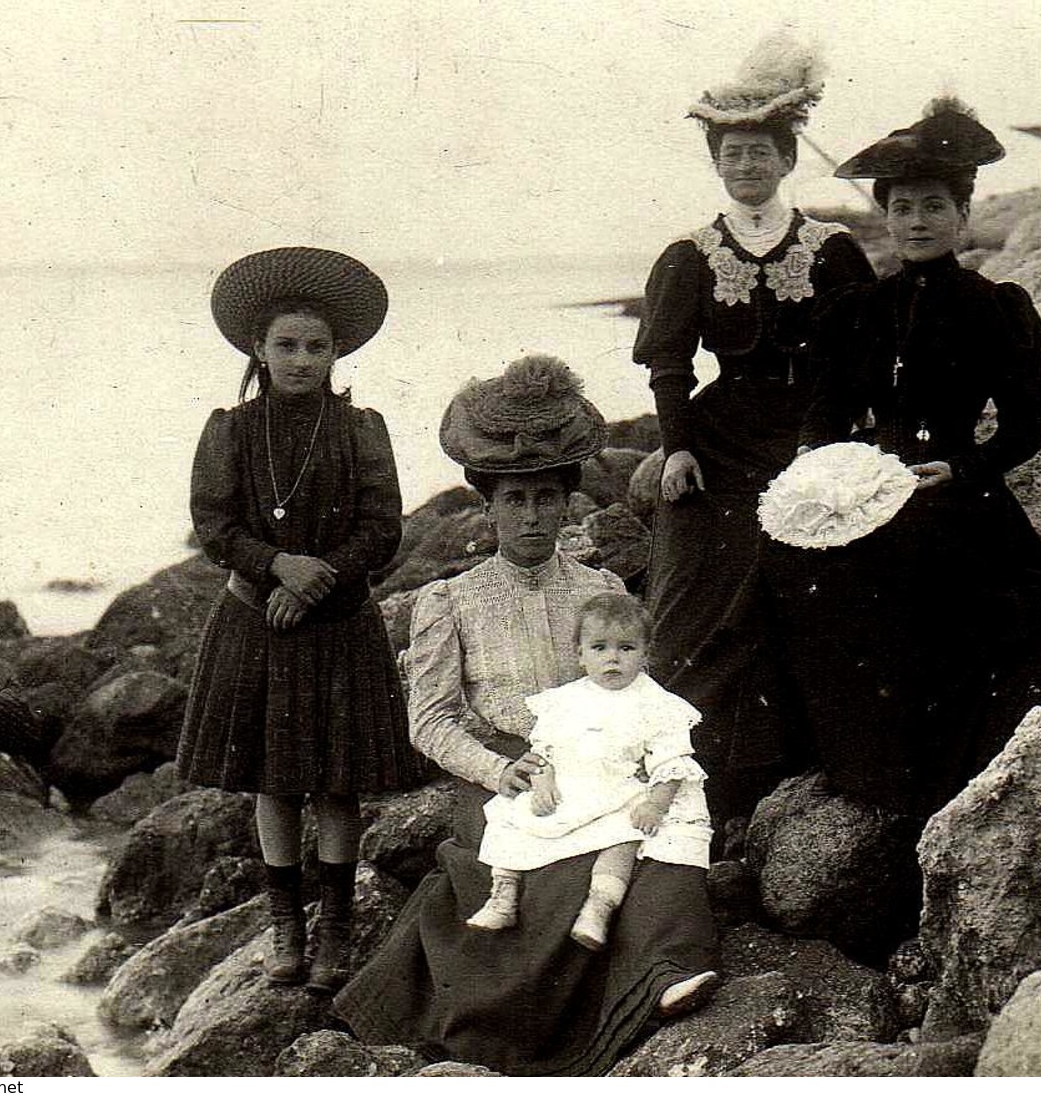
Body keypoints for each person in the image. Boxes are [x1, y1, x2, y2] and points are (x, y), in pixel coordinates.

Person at [334, 355, 720, 1076]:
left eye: (547, 497)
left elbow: (635, 691)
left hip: (600, 758)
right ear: (489, 503)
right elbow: (432, 720)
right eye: (515, 499)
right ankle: (552, 1019)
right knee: (554, 862)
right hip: (504, 770)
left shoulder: (602, 589)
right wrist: (497, 767)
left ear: (568, 500)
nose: (533, 515)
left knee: (665, 833)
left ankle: (664, 970)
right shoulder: (450, 599)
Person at [768, 99, 1041, 818]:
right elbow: (825, 414)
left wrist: (961, 470)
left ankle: (939, 768)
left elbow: (1024, 430)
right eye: (901, 207)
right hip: (868, 488)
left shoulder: (996, 307)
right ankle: (853, 761)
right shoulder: (856, 311)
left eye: (933, 206)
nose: (916, 221)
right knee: (798, 574)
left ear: (962, 214)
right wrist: (817, 467)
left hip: (955, 493)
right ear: (885, 218)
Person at [632, 34, 875, 825]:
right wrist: (675, 447)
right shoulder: (690, 256)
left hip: (813, 432)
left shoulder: (831, 249)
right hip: (721, 439)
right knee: (693, 586)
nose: (746, 166)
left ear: (785, 156)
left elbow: (859, 356)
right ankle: (697, 773)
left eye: (760, 152)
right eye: (732, 153)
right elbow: (669, 363)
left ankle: (804, 755)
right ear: (717, 162)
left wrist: (834, 441)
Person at [175, 246, 410, 993]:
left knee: (337, 784)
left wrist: (316, 578)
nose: (301, 359)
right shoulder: (232, 431)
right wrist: (278, 565)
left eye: (316, 346)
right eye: (286, 345)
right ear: (258, 348)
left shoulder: (360, 428)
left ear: (336, 351)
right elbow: (213, 524)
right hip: (258, 621)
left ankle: (335, 927)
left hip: (339, 621)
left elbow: (384, 528)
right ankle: (286, 925)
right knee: (273, 782)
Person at [467, 592, 709, 953]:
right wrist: (544, 779)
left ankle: (598, 907)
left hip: (616, 788)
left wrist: (656, 805)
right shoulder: (565, 700)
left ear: (645, 655)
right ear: (580, 655)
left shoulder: (656, 703)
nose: (612, 658)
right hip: (569, 785)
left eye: (626, 648)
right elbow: (545, 746)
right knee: (507, 816)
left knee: (623, 835)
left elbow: (671, 762)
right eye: (599, 648)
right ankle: (503, 894)